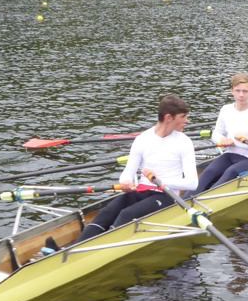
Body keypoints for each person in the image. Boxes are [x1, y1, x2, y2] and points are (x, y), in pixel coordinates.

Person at [76, 94, 198, 242]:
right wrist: (126, 182)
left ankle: (99, 247)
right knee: (107, 212)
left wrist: (159, 181)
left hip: (167, 196)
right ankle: (72, 248)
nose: (187, 121)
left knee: (127, 215)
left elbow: (192, 183)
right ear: (168, 118)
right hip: (141, 191)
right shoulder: (143, 139)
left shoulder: (184, 142)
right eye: (183, 116)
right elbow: (127, 173)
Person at [193, 73, 248, 194]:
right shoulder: (226, 110)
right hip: (229, 155)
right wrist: (222, 140)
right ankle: (184, 201)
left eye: (245, 91)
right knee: (209, 172)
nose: (241, 95)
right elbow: (216, 134)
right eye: (237, 91)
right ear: (232, 91)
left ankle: (208, 199)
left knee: (231, 172)